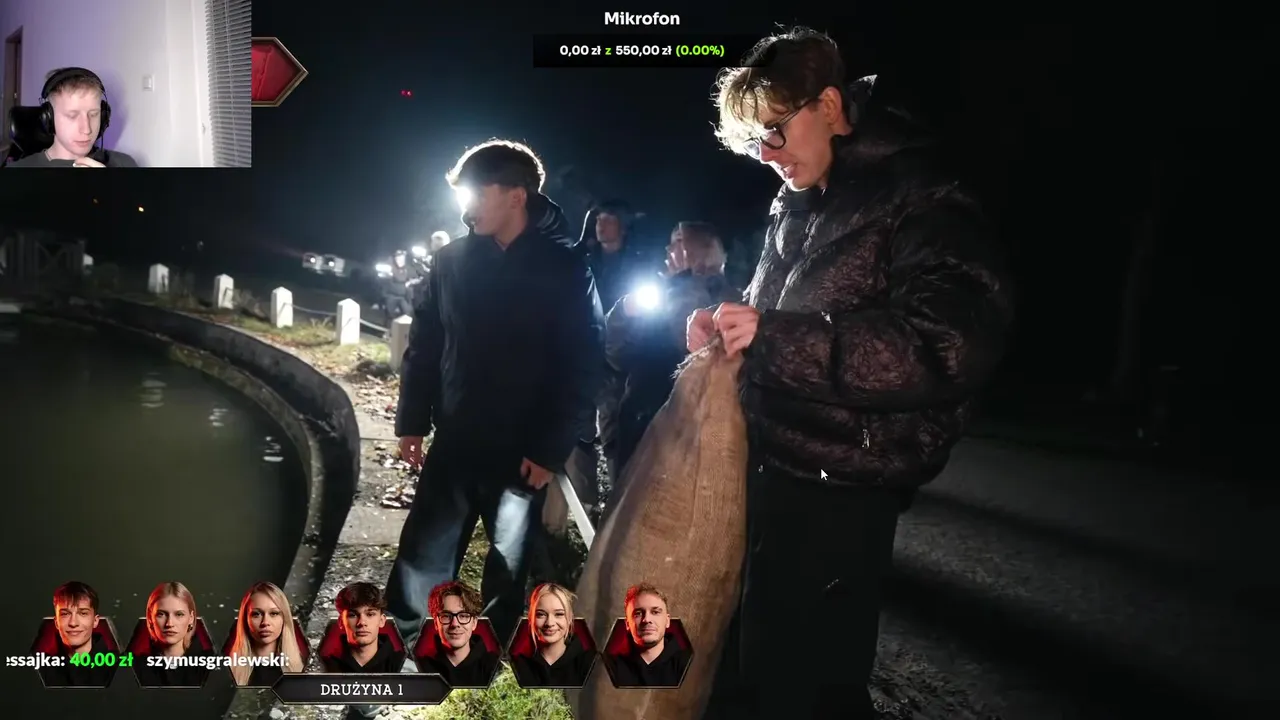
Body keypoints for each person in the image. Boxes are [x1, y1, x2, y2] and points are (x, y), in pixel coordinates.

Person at [690, 29, 1013, 719]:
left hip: (842, 492)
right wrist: (729, 330)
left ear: (830, 105)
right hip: (768, 469)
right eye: (753, 141)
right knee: (744, 671)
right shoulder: (799, 198)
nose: (766, 155)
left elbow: (946, 345)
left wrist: (774, 336)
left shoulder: (922, 194)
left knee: (804, 690)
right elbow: (778, 315)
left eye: (774, 130)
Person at [388, 139, 602, 650]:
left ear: (516, 196)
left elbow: (581, 364)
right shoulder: (451, 262)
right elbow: (425, 346)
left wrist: (549, 449)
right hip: (456, 437)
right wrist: (411, 422)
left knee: (508, 560)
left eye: (478, 194)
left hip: (522, 451)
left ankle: (487, 647)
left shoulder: (565, 268)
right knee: (422, 552)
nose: (468, 207)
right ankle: (402, 646)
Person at [605, 221, 742, 494]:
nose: (669, 249)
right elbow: (614, 354)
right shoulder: (657, 296)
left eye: (679, 241)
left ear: (702, 249)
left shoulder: (731, 299)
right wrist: (623, 312)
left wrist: (685, 284)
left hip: (694, 430)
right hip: (641, 423)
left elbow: (690, 343)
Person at [573, 200, 660, 488]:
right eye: (598, 219)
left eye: (609, 219)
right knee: (578, 429)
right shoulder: (582, 260)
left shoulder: (637, 264)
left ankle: (619, 494)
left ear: (622, 226)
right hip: (583, 351)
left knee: (615, 430)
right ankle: (582, 498)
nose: (601, 225)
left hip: (620, 358)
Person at [7, 67, 139, 167]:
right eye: (72, 116)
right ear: (48, 118)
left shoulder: (125, 164)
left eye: (93, 114)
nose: (86, 129)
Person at [508, 583, 596, 688]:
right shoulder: (518, 664)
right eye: (541, 614)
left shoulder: (588, 662)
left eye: (559, 614)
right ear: (531, 619)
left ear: (569, 619)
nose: (549, 623)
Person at [414, 581, 499, 687]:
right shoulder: (420, 668)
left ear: (474, 623)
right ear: (436, 623)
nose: (455, 624)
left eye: (463, 616)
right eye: (446, 616)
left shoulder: (495, 667)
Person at [605, 583, 689, 688]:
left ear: (667, 621)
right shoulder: (609, 667)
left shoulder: (689, 664)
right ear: (627, 624)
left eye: (655, 612)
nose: (647, 619)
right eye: (638, 614)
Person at [132, 582, 215, 687]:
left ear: (191, 618)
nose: (169, 623)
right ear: (150, 617)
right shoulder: (135, 666)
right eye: (161, 614)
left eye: (179, 614)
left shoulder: (213, 664)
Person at [226, 581, 306, 687]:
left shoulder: (304, 668)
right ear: (245, 620)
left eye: (274, 613)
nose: (265, 622)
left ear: (284, 619)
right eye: (256, 614)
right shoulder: (226, 671)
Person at [37, 581, 115, 687]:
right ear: (56, 622)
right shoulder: (41, 667)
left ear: (95, 621)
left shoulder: (118, 666)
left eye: (83, 613)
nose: (73, 623)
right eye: (65, 614)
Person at [323, 582, 404, 674]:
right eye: (352, 615)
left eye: (370, 614)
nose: (362, 622)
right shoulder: (324, 667)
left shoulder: (404, 666)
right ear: (341, 622)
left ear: (382, 620)